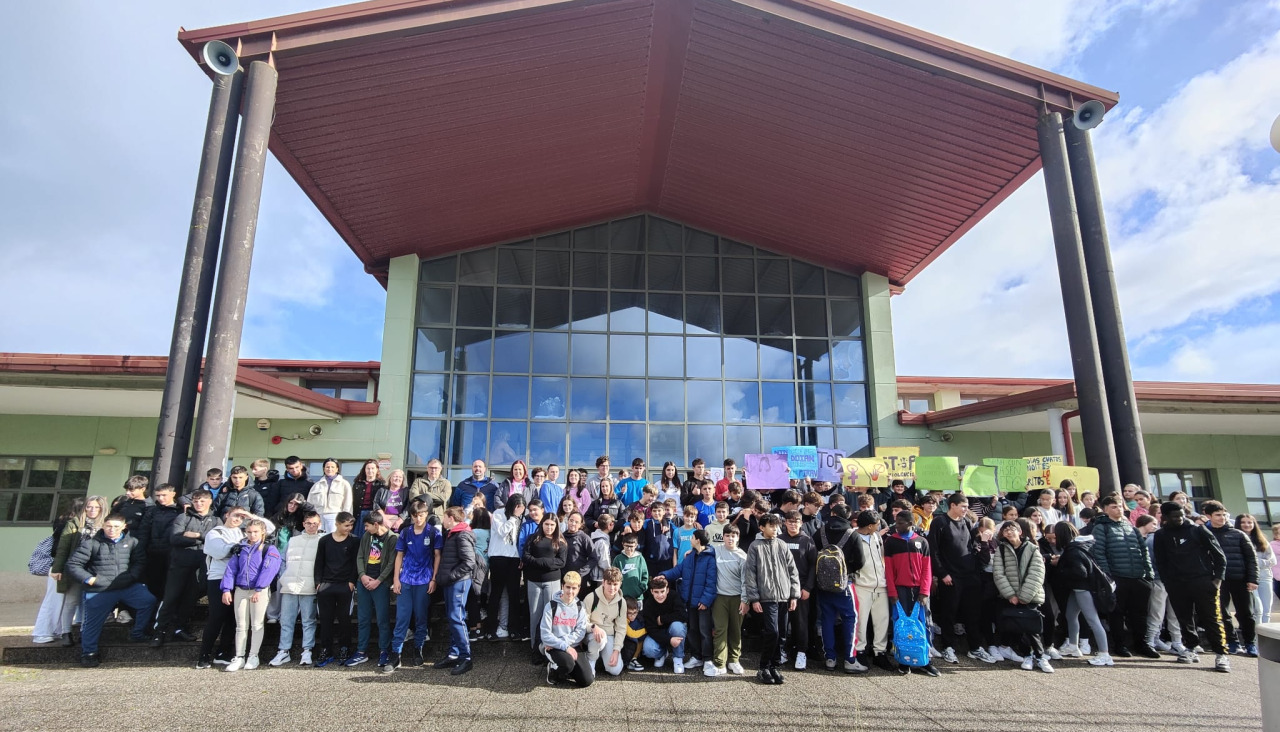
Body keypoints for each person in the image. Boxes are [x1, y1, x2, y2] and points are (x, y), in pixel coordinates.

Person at [65, 513, 156, 667]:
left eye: (116, 526)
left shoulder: (132, 542)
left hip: (126, 586)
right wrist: (90, 579)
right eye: (108, 526)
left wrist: (132, 576)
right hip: (99, 589)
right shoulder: (91, 544)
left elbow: (140, 562)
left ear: (124, 527)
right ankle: (89, 653)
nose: (112, 529)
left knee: (148, 601)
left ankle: (137, 633)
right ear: (103, 526)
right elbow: (73, 565)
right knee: (92, 623)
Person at [1151, 501, 1230, 672]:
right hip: (1176, 584)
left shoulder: (1197, 530)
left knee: (1211, 618)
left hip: (1202, 581)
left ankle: (1221, 654)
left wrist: (1217, 580)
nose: (1179, 519)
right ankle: (1191, 647)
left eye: (1181, 515)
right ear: (1165, 517)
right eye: (1175, 516)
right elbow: (1161, 561)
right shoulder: (1161, 535)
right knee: (1184, 618)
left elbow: (1219, 556)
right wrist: (1168, 582)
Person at [199, 508, 275, 668]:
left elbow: (269, 528)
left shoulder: (243, 534)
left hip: (241, 582)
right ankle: (204, 655)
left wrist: (251, 517)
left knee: (233, 620)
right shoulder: (216, 532)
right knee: (217, 617)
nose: (238, 519)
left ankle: (223, 653)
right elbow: (219, 552)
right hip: (219, 577)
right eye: (235, 515)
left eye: (242, 517)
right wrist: (238, 547)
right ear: (227, 515)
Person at [1091, 495, 1158, 658]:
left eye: (1120, 506)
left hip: (1138, 577)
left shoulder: (1131, 527)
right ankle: (1120, 645)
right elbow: (1099, 553)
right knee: (1117, 614)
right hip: (1117, 577)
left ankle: (1141, 644)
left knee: (1140, 614)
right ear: (1105, 509)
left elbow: (1144, 551)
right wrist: (1108, 577)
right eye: (1114, 507)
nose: (1118, 509)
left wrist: (1148, 573)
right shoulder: (1101, 528)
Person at [153, 488, 220, 646]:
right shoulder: (183, 517)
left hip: (201, 564)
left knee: (191, 598)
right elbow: (175, 539)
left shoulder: (216, 520)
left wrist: (196, 535)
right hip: (180, 563)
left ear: (210, 501)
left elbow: (216, 540)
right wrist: (202, 539)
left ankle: (179, 629)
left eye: (202, 501)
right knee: (170, 597)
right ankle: (159, 631)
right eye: (196, 501)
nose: (199, 504)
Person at [928, 493, 985, 665]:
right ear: (952, 505)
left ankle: (975, 647)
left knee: (972, 613)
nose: (966, 509)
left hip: (969, 575)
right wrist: (942, 573)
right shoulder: (939, 522)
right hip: (950, 577)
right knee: (949, 613)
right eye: (963, 506)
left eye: (967, 506)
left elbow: (970, 545)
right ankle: (948, 647)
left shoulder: (967, 522)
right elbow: (933, 550)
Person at [218, 519, 282, 672]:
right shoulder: (240, 549)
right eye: (249, 532)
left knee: (257, 624)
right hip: (241, 589)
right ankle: (239, 656)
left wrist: (259, 588)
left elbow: (269, 569)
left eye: (255, 532)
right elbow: (231, 569)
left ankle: (253, 655)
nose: (252, 535)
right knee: (241, 625)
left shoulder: (269, 549)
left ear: (262, 532)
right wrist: (226, 589)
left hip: (258, 590)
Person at [743, 513, 800, 684]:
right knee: (772, 632)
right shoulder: (755, 546)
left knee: (782, 633)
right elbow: (750, 574)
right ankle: (763, 666)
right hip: (766, 597)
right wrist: (754, 598)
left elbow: (792, 570)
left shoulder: (782, 544)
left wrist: (794, 595)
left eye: (776, 526)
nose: (775, 529)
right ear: (762, 528)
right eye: (771, 526)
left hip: (783, 596)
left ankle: (774, 666)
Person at [884, 509, 939, 677]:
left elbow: (927, 569)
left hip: (919, 590)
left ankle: (925, 660)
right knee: (901, 624)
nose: (897, 526)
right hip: (900, 590)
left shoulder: (922, 542)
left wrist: (924, 591)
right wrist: (892, 592)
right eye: (896, 522)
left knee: (924, 624)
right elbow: (888, 570)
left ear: (910, 523)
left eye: (900, 523)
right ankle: (903, 660)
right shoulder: (891, 542)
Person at [992, 521, 1052, 672]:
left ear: (1019, 532)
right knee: (1018, 627)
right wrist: (1010, 594)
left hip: (1030, 595)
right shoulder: (1001, 549)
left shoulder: (1032, 548)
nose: (1009, 532)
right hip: (1010, 596)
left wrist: (1024, 596)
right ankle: (1027, 655)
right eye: (1005, 530)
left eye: (1012, 529)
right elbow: (999, 573)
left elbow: (1037, 573)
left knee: (1032, 628)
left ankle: (1040, 656)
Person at [1054, 522, 1114, 666]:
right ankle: (1073, 646)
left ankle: (1104, 654)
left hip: (1082, 588)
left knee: (1092, 620)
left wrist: (1061, 567)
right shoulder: (1081, 545)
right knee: (1070, 615)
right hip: (1080, 588)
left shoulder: (1072, 550)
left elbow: (1080, 573)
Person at [1203, 500, 1258, 656]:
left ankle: (1250, 643)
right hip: (1217, 580)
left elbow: (1251, 558)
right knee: (1222, 613)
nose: (1222, 518)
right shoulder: (1203, 534)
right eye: (1218, 515)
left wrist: (1253, 579)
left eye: (1224, 515)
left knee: (1246, 613)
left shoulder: (1238, 534)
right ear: (1209, 516)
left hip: (1240, 579)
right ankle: (1232, 642)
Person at [661, 529, 718, 676]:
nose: (690, 539)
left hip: (702, 603)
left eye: (692, 537)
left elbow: (711, 583)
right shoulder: (690, 556)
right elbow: (678, 570)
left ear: (698, 540)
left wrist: (705, 600)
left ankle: (707, 659)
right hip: (689, 601)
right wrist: (663, 575)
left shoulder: (710, 559)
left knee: (704, 631)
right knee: (692, 630)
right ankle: (696, 657)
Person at [346, 511, 398, 670]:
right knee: (363, 618)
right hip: (364, 582)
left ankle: (384, 651)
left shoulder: (392, 538)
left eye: (367, 526)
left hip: (380, 583)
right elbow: (360, 556)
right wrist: (362, 575)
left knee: (382, 619)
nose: (365, 528)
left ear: (376, 524)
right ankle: (361, 651)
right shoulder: (367, 537)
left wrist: (379, 580)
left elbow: (391, 562)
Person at [51, 495, 105, 647]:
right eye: (89, 507)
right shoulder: (74, 524)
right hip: (75, 568)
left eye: (96, 507)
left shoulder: (105, 524)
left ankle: (84, 631)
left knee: (89, 602)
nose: (92, 510)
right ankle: (66, 632)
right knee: (71, 601)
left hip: (95, 569)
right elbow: (63, 547)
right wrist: (57, 568)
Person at [270, 511, 322, 667]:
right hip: (290, 584)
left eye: (314, 523)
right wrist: (283, 576)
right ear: (303, 524)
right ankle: (283, 650)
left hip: (309, 586)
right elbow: (282, 560)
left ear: (319, 524)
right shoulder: (293, 540)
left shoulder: (322, 540)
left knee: (308, 620)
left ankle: (307, 650)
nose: (311, 526)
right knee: (286, 620)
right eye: (308, 523)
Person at [392, 502, 442, 667]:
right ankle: (396, 654)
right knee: (402, 618)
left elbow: (437, 556)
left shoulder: (433, 532)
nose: (418, 518)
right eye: (415, 516)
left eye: (421, 515)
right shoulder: (405, 532)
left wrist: (434, 579)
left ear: (426, 514)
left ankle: (418, 649)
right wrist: (396, 579)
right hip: (406, 579)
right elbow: (399, 555)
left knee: (421, 617)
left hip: (424, 579)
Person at [813, 503, 861, 673]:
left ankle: (830, 659)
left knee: (827, 619)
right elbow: (860, 560)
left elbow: (812, 553)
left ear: (832, 513)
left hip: (823, 584)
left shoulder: (821, 531)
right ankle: (849, 659)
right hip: (844, 585)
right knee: (850, 618)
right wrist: (846, 571)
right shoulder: (852, 534)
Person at [432, 506, 477, 675]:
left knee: (456, 617)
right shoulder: (453, 534)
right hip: (451, 582)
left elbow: (469, 562)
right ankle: (454, 654)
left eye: (444, 517)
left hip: (458, 582)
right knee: (453, 618)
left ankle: (466, 657)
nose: (443, 521)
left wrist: (451, 576)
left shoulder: (462, 535)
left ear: (451, 518)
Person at [314, 512, 359, 667]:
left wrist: (352, 581)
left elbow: (355, 563)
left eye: (351, 525)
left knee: (344, 619)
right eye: (346, 525)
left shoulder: (354, 541)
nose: (349, 528)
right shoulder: (325, 540)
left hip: (345, 585)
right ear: (337, 524)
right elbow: (319, 562)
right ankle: (326, 649)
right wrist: (318, 582)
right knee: (325, 619)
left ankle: (345, 648)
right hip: (326, 584)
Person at [851, 509, 891, 672]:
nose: (878, 526)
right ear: (869, 526)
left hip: (881, 585)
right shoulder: (853, 537)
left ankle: (879, 652)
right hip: (862, 585)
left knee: (882, 621)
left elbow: (881, 557)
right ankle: (859, 650)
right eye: (877, 524)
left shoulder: (876, 537)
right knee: (860, 621)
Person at [538, 570, 593, 686]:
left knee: (587, 680)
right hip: (554, 646)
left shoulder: (580, 607)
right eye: (568, 587)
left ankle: (567, 669)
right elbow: (545, 635)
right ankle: (554, 670)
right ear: (562, 586)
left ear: (579, 589)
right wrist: (564, 646)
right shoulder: (551, 606)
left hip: (572, 645)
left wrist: (566, 645)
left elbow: (580, 632)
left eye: (574, 588)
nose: (570, 591)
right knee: (568, 664)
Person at [524, 511, 567, 657]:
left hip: (552, 581)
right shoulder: (533, 538)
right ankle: (535, 648)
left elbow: (561, 562)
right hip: (534, 581)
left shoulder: (560, 541)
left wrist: (543, 562)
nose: (549, 527)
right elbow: (526, 556)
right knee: (534, 615)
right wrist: (541, 562)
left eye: (552, 525)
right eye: (546, 524)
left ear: (556, 526)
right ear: (542, 524)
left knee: (550, 615)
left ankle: (549, 647)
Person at [484, 494, 526, 641]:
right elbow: (502, 532)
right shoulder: (499, 513)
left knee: (514, 594)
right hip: (498, 556)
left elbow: (520, 538)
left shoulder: (522, 517)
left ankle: (514, 629)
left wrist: (521, 557)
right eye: (518, 507)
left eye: (522, 508)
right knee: (496, 593)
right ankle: (490, 629)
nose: (520, 510)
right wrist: (513, 517)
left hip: (514, 558)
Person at [779, 510, 816, 670]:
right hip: (781, 588)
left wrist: (808, 588)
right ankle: (781, 651)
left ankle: (801, 652)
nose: (793, 524)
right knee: (781, 622)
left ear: (801, 523)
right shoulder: (779, 540)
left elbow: (813, 566)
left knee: (800, 623)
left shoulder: (807, 540)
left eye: (796, 521)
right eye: (790, 521)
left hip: (801, 589)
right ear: (785, 523)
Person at [711, 525, 749, 675]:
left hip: (737, 598)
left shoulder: (742, 556)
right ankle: (720, 663)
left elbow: (746, 581)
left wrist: (745, 601)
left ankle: (734, 660)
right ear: (723, 537)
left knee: (735, 630)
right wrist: (691, 551)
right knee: (720, 629)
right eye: (727, 536)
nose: (730, 539)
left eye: (733, 536)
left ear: (738, 538)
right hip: (720, 597)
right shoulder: (716, 550)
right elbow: (702, 551)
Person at [139, 483, 182, 602]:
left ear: (173, 494)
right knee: (153, 584)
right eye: (158, 495)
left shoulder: (180, 511)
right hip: (153, 553)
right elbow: (143, 531)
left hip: (171, 553)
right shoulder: (152, 511)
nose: (161, 498)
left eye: (164, 495)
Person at [583, 567, 627, 677]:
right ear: (603, 582)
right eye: (609, 583)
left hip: (609, 635)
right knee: (600, 637)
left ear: (620, 584)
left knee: (615, 670)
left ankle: (604, 658)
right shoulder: (591, 598)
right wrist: (593, 627)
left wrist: (616, 650)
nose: (612, 588)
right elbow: (582, 622)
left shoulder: (622, 602)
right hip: (591, 633)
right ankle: (591, 660)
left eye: (615, 584)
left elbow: (621, 628)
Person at [640, 575, 689, 673]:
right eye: (656, 592)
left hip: (672, 629)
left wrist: (663, 619)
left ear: (667, 590)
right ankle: (662, 654)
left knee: (678, 627)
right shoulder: (648, 604)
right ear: (651, 592)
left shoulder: (674, 596)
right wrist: (669, 640)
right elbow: (651, 629)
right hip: (658, 633)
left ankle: (678, 658)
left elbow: (683, 615)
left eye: (662, 591)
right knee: (648, 649)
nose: (660, 595)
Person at [1236, 515, 1273, 624]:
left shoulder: (1262, 540)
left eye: (1249, 522)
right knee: (1258, 609)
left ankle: (1265, 633)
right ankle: (1256, 634)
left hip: (1265, 577)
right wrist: (1257, 562)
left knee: (1266, 610)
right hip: (1248, 578)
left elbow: (1272, 561)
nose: (1247, 525)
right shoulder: (1236, 538)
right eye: (1243, 522)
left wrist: (1254, 562)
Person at [308, 458, 353, 533]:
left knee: (333, 537)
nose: (329, 469)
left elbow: (348, 504)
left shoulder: (344, 484)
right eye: (327, 467)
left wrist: (346, 519)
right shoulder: (317, 485)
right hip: (318, 517)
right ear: (323, 469)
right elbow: (309, 503)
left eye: (332, 467)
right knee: (318, 538)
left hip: (335, 516)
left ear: (337, 469)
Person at [352, 459, 386, 536]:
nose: (370, 471)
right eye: (368, 468)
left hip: (374, 515)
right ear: (364, 470)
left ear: (377, 470)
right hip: (359, 514)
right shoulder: (357, 484)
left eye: (372, 468)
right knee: (357, 537)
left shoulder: (382, 485)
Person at [612, 535, 649, 601]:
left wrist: (640, 589)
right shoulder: (618, 559)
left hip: (638, 598)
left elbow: (645, 576)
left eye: (631, 546)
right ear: (623, 544)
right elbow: (613, 576)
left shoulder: (640, 558)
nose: (629, 549)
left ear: (636, 545)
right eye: (627, 546)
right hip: (621, 597)